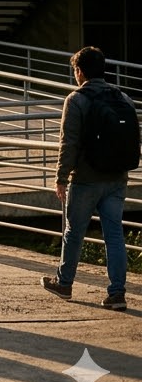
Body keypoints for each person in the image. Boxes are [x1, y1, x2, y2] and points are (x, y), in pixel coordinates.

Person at [41, 46, 132, 311]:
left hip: (86, 179)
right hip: (117, 178)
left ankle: (64, 283)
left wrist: (60, 177)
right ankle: (117, 294)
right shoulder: (122, 98)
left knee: (74, 232)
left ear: (79, 71)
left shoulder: (76, 100)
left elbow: (68, 144)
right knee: (114, 234)